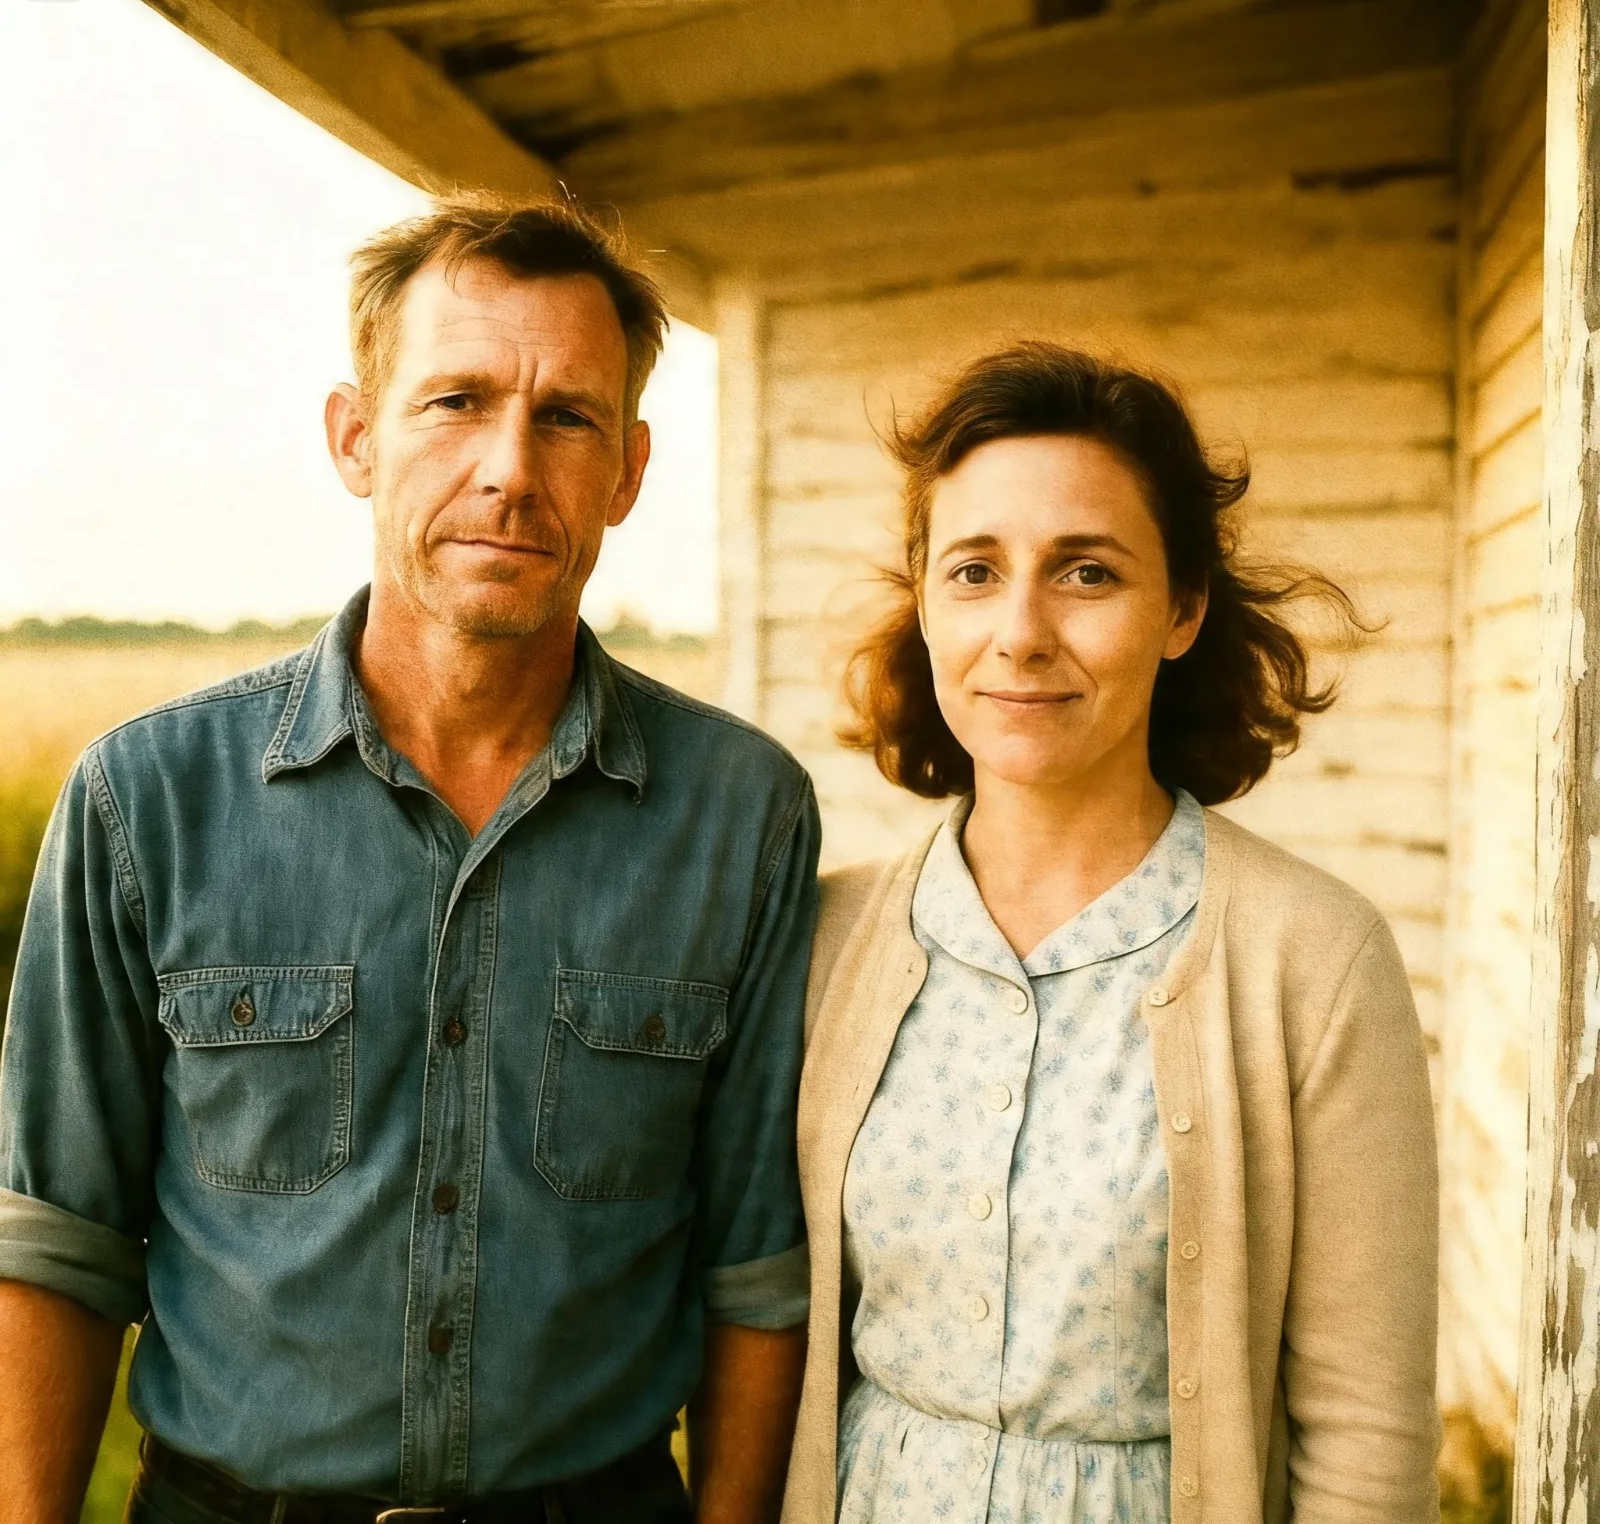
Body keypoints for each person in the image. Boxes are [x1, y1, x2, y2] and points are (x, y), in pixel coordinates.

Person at [0, 195, 818, 1524]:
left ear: (629, 469)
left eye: (568, 417)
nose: (510, 465)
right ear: (355, 438)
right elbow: (56, 1248)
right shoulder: (144, 802)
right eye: (455, 401)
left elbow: (754, 1276)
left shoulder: (741, 816)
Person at [783, 344, 1440, 1523]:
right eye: (974, 571)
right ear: (924, 599)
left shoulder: (1314, 960)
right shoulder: (828, 939)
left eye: (1085, 572)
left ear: (1182, 607)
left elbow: (1364, 1432)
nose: (1021, 631)